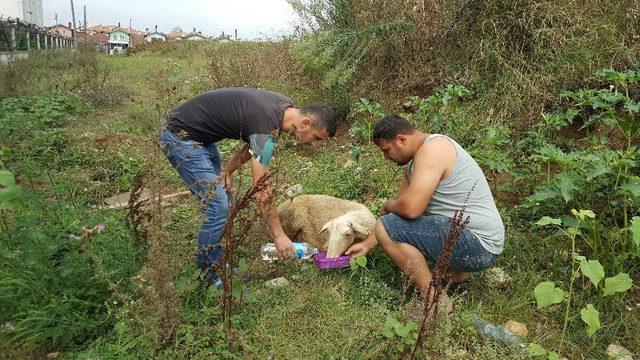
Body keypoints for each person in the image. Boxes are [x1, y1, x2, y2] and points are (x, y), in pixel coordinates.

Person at [159, 87, 336, 278]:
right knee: (217, 207)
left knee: (223, 198)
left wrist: (227, 171)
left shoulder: (282, 108)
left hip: (202, 137)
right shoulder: (265, 128)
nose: (314, 144)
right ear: (305, 122)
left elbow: (252, 146)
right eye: (317, 138)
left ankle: (216, 259)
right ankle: (208, 275)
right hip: (180, 137)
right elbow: (261, 190)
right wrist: (279, 235)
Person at [346, 114, 504, 310]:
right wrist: (367, 245)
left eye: (386, 150)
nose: (386, 157)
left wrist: (388, 205)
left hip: (478, 244)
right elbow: (399, 214)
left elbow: (410, 209)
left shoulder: (434, 149)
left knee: (387, 227)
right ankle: (457, 279)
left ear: (401, 139)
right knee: (389, 226)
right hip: (476, 242)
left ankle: (435, 303)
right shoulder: (414, 164)